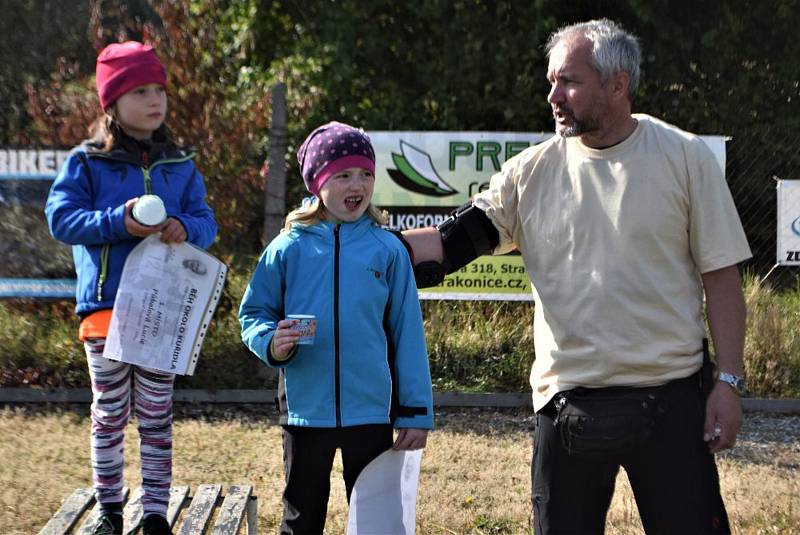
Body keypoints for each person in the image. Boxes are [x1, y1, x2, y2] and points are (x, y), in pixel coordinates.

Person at [403, 18, 750, 534]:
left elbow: (722, 278)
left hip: (671, 397)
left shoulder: (683, 157)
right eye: (551, 81)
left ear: (617, 84)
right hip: (566, 403)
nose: (553, 96)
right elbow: (451, 244)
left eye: (568, 81)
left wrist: (728, 382)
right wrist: (361, 246)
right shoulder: (530, 171)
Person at [45, 41, 218, 535]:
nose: (154, 99)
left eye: (159, 89)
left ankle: (157, 514)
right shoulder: (86, 163)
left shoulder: (180, 163)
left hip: (164, 311)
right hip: (105, 311)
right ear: (112, 103)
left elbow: (208, 222)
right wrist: (118, 221)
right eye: (140, 90)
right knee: (110, 414)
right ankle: (109, 511)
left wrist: (187, 226)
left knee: (157, 417)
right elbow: (61, 219)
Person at [239, 121, 434, 534]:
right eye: (343, 174)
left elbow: (408, 335)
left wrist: (415, 412)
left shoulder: (388, 250)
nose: (357, 184)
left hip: (372, 413)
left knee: (377, 519)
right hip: (305, 413)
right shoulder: (287, 248)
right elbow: (253, 313)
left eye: (365, 173)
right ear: (317, 182)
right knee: (301, 517)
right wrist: (272, 343)